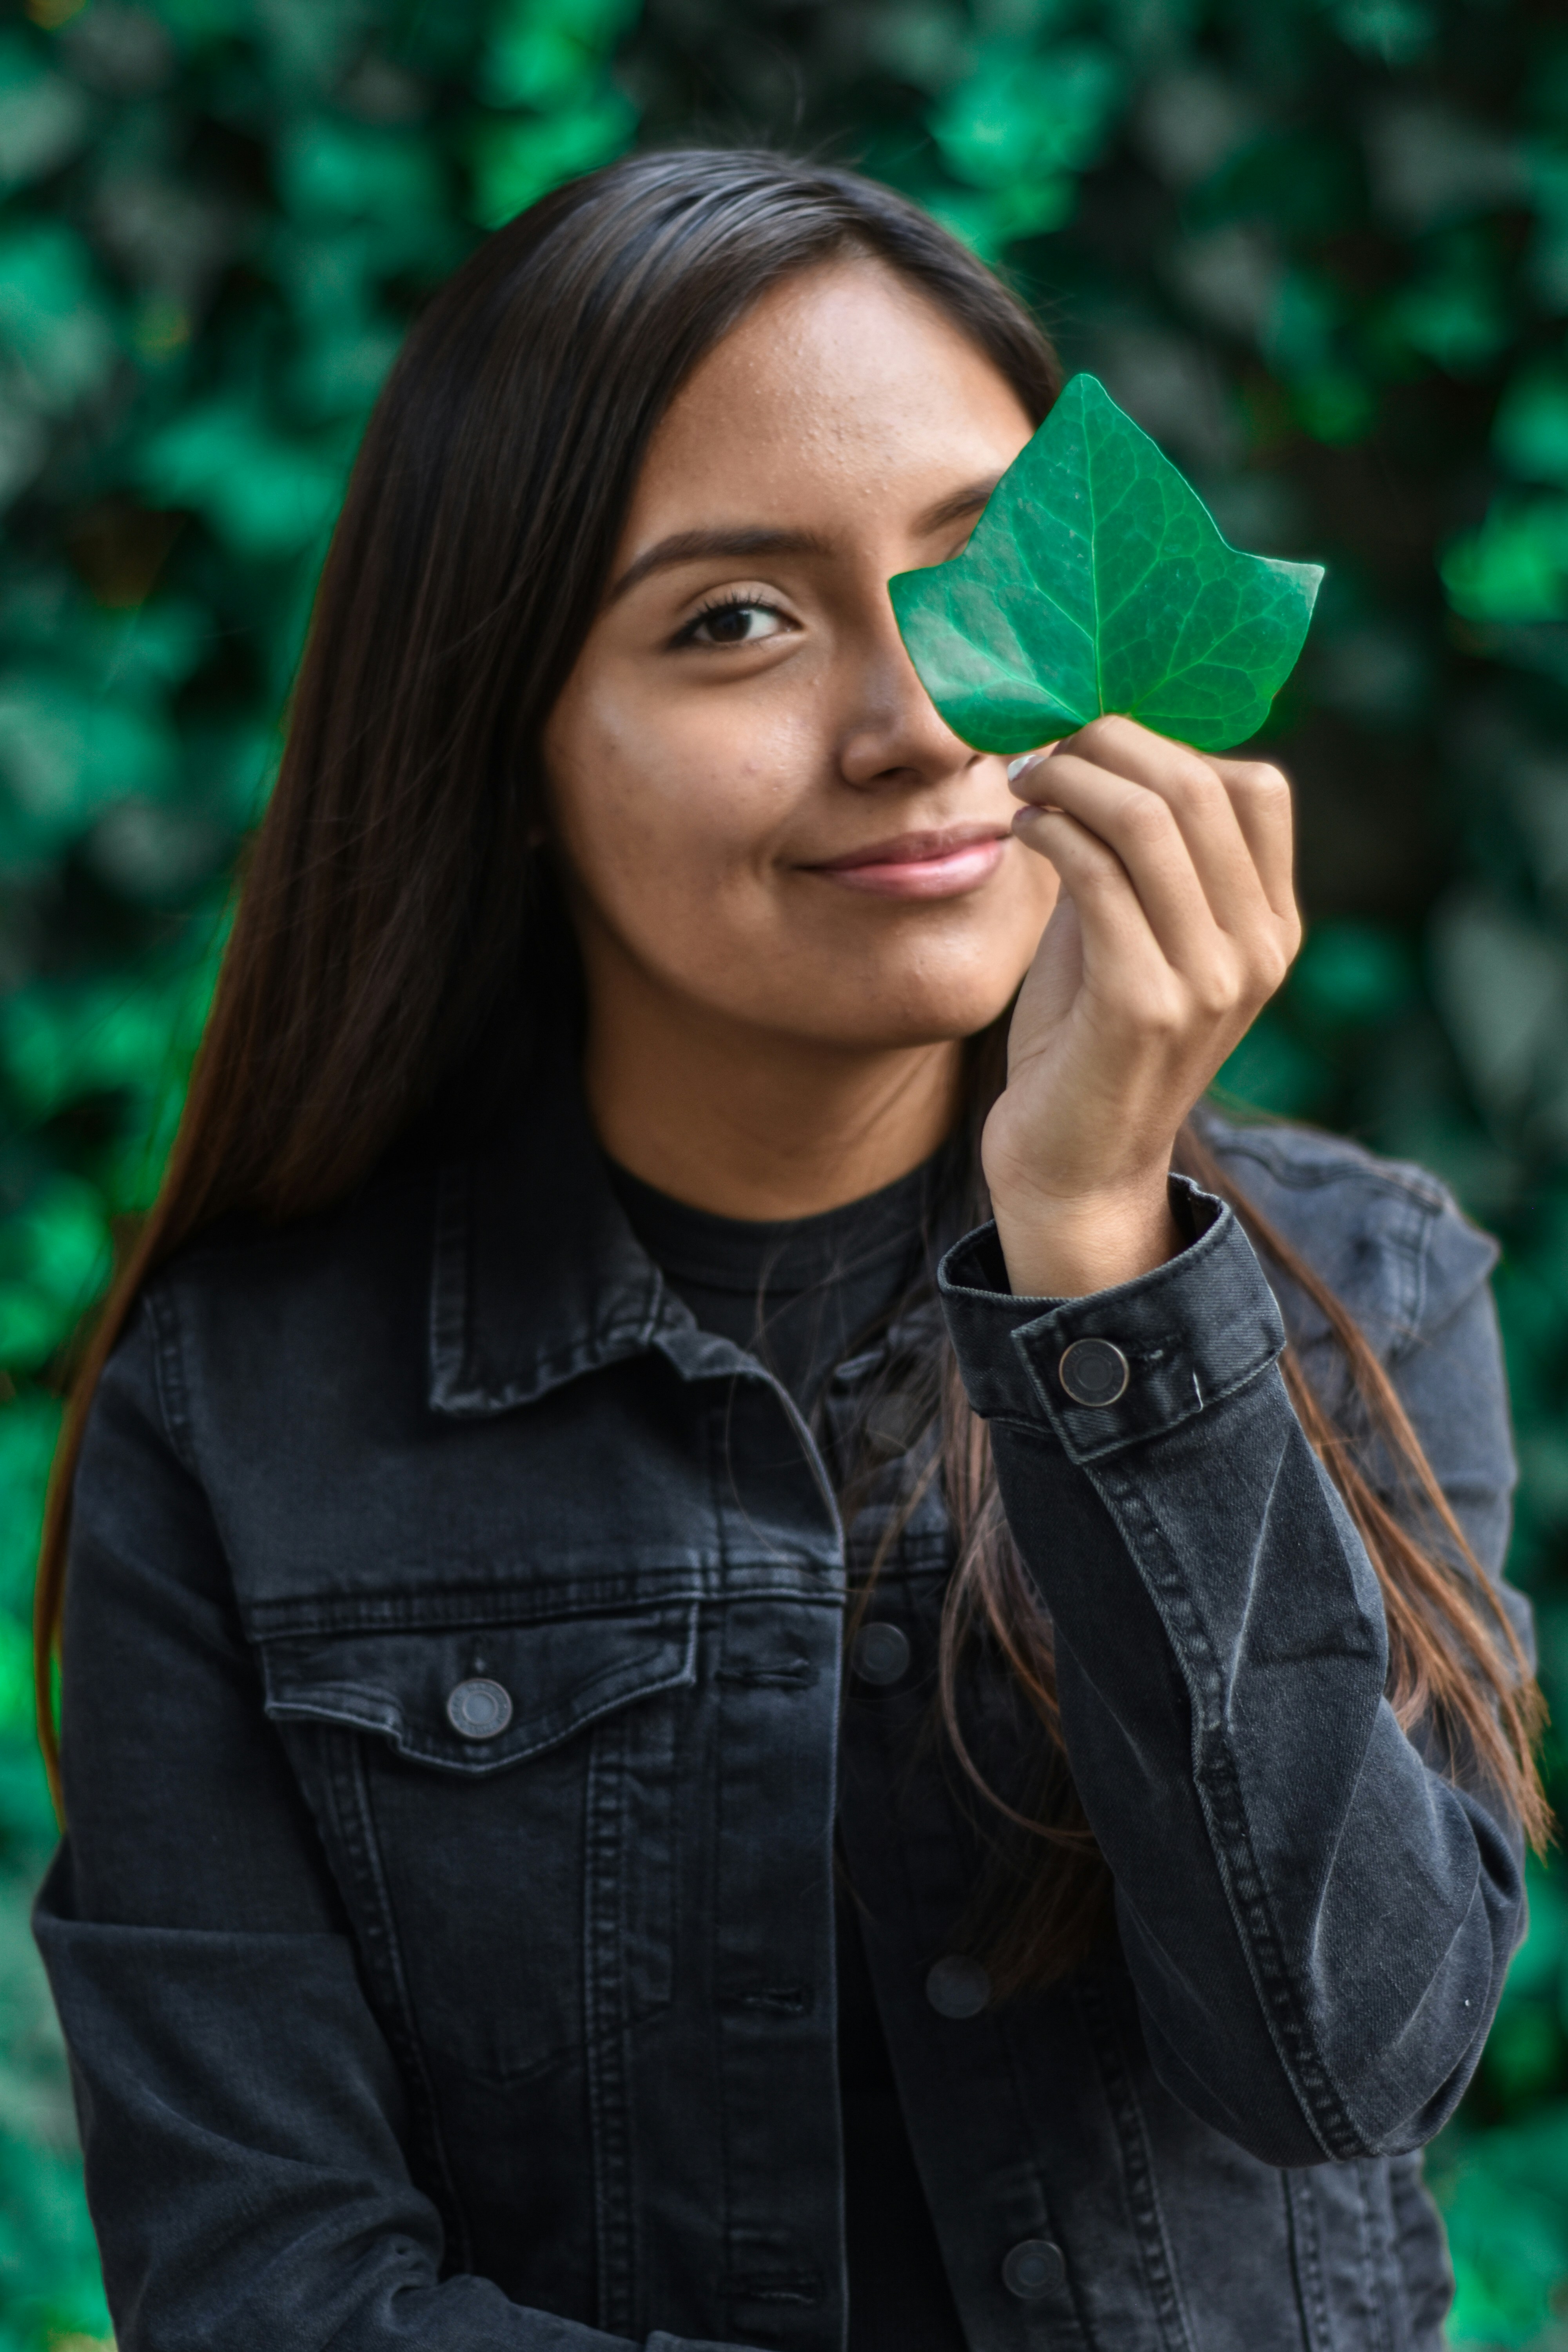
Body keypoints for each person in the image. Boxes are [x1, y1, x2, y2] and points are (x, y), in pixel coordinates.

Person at [32, 148, 1544, 2352]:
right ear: (515, 750)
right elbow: (268, 2289)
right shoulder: (241, 1430)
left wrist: (1109, 1267)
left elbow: (1346, 2066)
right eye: (736, 618)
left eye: (977, 578)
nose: (920, 726)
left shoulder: (1353, 1291)